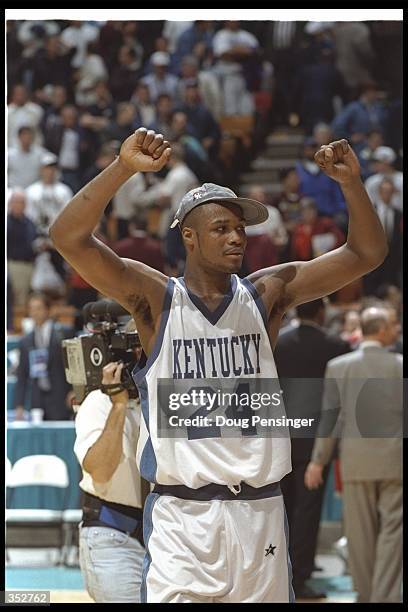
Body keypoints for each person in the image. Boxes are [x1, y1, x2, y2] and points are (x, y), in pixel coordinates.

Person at [50, 128, 387, 603]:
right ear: (188, 236)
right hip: (183, 518)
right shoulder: (157, 298)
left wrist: (353, 184)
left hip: (260, 513)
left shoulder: (267, 294)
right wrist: (123, 168)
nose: (236, 238)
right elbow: (66, 236)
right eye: (221, 228)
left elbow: (366, 254)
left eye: (241, 229)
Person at [305, 307, 402, 603]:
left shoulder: (338, 366)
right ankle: (385, 597)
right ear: (383, 329)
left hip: (356, 462)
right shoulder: (401, 365)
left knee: (359, 534)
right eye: (394, 324)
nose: (397, 329)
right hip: (395, 463)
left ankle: (366, 594)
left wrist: (318, 461)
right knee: (393, 533)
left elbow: (329, 421)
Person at [274, 298, 350, 599]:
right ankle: (301, 575)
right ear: (321, 312)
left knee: (282, 509)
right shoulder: (336, 345)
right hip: (316, 439)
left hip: (279, 438)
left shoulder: (277, 342)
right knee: (308, 511)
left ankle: (281, 570)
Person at [74, 356, 146, 603]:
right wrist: (118, 405)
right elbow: (101, 471)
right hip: (113, 535)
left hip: (165, 538)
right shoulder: (98, 402)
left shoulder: (163, 399)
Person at [14, 292, 73, 421]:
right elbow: (22, 375)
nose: (35, 312)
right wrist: (19, 405)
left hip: (61, 395)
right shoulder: (25, 341)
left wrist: (74, 391)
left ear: (48, 310)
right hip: (37, 399)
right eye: (32, 309)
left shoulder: (63, 334)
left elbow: (73, 366)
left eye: (39, 308)